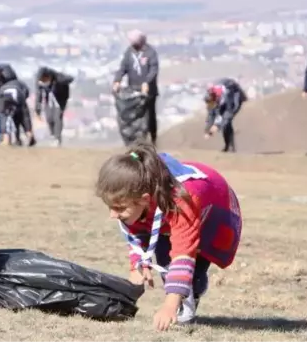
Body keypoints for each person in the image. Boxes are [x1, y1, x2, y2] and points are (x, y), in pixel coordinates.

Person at [95, 142, 242, 331]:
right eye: (110, 207)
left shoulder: (182, 200)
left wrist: (169, 306)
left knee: (192, 267)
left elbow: (183, 254)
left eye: (119, 208)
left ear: (145, 199)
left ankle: (191, 293)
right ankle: (182, 295)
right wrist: (139, 263)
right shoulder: (133, 194)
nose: (112, 215)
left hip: (211, 205)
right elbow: (135, 231)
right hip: (164, 207)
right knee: (164, 259)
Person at [112, 30, 159, 145]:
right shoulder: (129, 52)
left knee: (149, 115)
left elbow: (153, 70)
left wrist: (146, 82)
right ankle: (133, 139)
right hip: (133, 89)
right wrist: (117, 80)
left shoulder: (150, 52)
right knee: (133, 115)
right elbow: (123, 67)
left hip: (148, 91)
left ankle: (152, 139)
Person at [203, 78, 247, 153]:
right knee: (220, 119)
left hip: (235, 98)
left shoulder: (227, 97)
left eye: (212, 103)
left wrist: (216, 127)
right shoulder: (211, 97)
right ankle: (228, 146)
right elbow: (211, 115)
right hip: (222, 100)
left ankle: (230, 147)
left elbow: (227, 115)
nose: (210, 105)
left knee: (226, 123)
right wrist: (207, 130)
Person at [34, 66, 74, 146]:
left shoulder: (59, 78)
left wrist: (63, 81)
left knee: (57, 118)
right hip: (49, 99)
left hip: (60, 100)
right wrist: (37, 110)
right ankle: (53, 135)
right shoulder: (40, 83)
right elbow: (39, 97)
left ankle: (57, 138)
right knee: (49, 118)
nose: (43, 81)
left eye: (44, 79)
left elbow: (70, 78)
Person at [0, 78, 36, 146]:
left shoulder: (3, 88)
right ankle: (28, 136)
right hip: (18, 96)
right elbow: (25, 116)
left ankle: (9, 140)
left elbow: (3, 116)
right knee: (23, 117)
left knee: (8, 118)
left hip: (10, 97)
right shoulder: (21, 86)